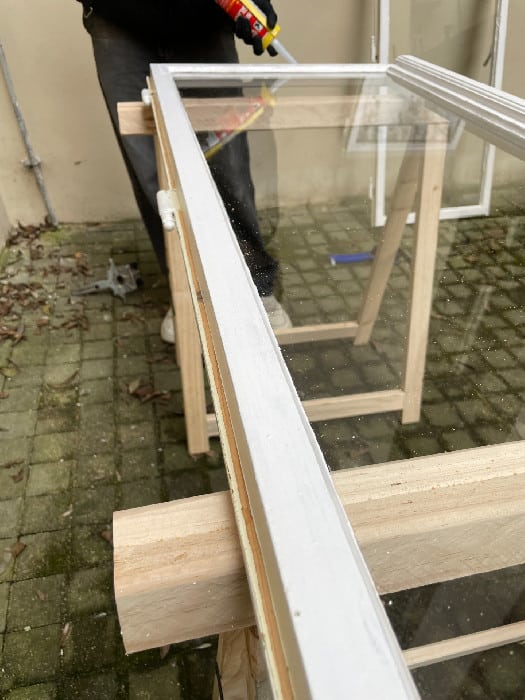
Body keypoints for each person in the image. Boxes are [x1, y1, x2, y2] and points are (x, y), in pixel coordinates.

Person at [77, 0, 292, 342]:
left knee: (229, 167)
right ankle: (187, 293)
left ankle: (255, 286)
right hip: (118, 22)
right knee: (154, 175)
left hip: (203, 20)